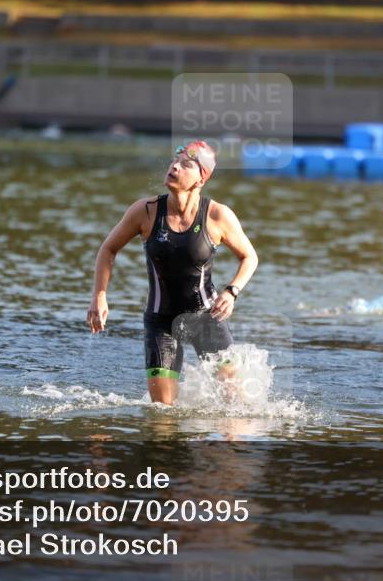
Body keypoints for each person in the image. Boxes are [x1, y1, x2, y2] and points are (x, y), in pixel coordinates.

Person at [87, 140, 258, 405]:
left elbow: (249, 257)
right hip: (161, 321)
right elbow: (108, 249)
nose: (175, 167)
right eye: (174, 161)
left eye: (186, 164)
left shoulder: (217, 215)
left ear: (201, 179)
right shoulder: (146, 211)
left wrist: (232, 291)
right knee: (162, 415)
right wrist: (99, 295)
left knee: (234, 406)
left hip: (207, 317)